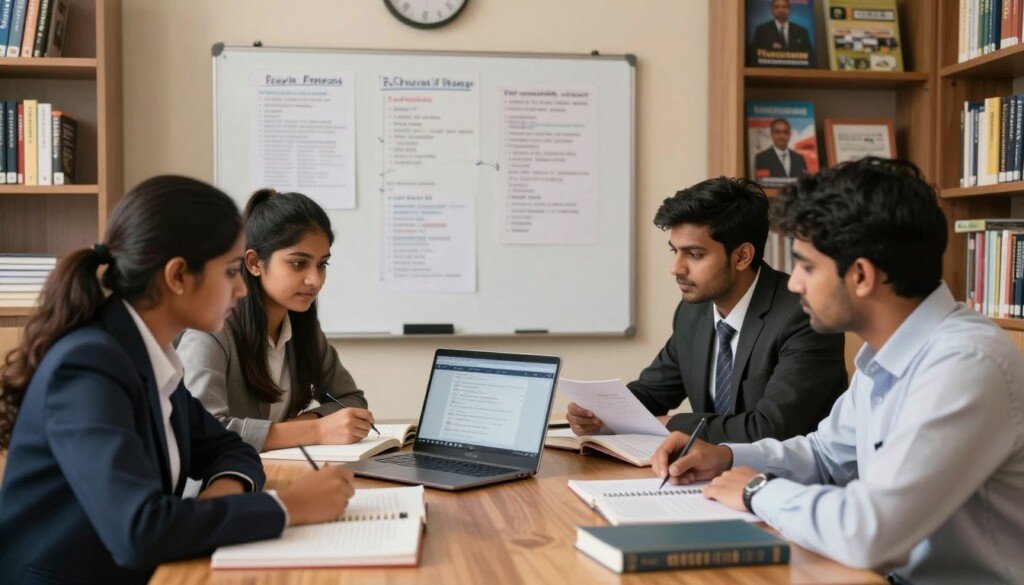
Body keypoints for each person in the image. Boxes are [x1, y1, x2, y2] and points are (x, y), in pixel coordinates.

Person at [652, 158, 1024, 583]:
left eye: (808, 266)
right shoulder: (885, 354)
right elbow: (826, 456)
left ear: (861, 275)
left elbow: (869, 531)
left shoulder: (965, 365)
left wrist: (757, 491)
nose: (793, 284)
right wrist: (729, 456)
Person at [0, 177, 355, 584]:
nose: (241, 289)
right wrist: (288, 506)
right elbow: (140, 531)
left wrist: (221, 501)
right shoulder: (88, 366)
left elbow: (232, 449)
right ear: (178, 276)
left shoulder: (149, 356)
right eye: (230, 271)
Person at [567, 177, 847, 443]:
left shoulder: (806, 317)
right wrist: (599, 413)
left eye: (694, 254)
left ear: (742, 256)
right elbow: (652, 392)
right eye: (674, 251)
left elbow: (768, 429)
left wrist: (667, 425)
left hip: (785, 483)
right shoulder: (694, 313)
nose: (676, 268)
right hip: (704, 476)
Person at [177, 188, 373, 453]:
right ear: (254, 263)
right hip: (218, 486)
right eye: (298, 264)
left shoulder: (304, 329)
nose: (315, 279)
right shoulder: (210, 330)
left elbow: (352, 400)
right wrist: (314, 431)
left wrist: (307, 421)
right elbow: (201, 432)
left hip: (279, 475)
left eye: (322, 264)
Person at [749, 0, 815, 67]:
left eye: (784, 7)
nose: (781, 10)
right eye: (777, 7)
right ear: (772, 10)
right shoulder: (762, 30)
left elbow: (809, 57)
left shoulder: (801, 31)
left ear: (789, 10)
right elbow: (755, 55)